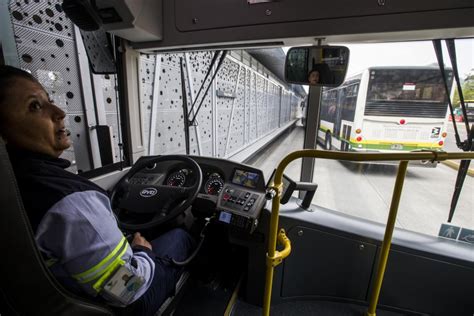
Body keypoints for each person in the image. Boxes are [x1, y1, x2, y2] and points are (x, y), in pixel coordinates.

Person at [0, 65, 195, 316]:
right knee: (180, 236)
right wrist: (142, 253)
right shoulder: (70, 205)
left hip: (65, 294)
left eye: (49, 101)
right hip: (128, 303)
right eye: (35, 106)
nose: (59, 112)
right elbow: (128, 289)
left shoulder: (18, 184)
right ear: (3, 135)